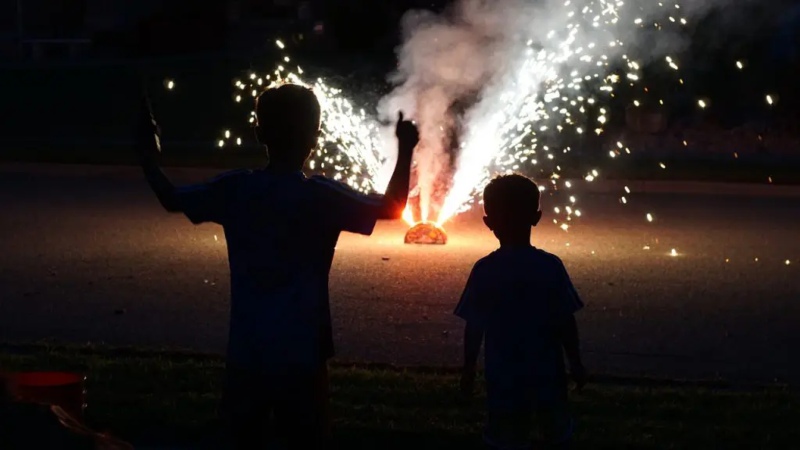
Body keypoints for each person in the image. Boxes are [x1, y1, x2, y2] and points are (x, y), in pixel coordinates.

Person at [134, 83, 419, 449]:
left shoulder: (236, 189)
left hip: (248, 347)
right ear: (314, 137)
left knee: (240, 437)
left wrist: (148, 157)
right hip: (304, 350)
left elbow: (171, 198)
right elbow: (394, 207)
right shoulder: (321, 196)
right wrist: (406, 148)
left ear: (259, 133)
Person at [455, 173, 587, 450]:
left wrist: (468, 369)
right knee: (555, 433)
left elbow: (474, 326)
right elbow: (565, 320)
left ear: (488, 222)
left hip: (503, 374)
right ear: (536, 217)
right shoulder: (550, 266)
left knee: (505, 437)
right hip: (547, 372)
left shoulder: (485, 270)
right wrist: (575, 363)